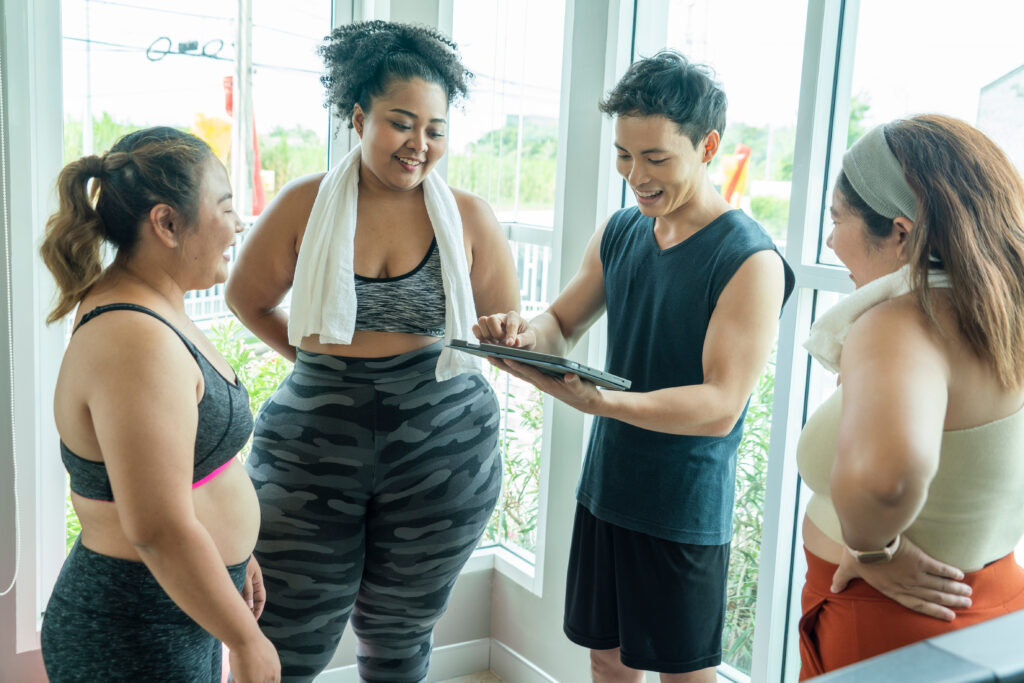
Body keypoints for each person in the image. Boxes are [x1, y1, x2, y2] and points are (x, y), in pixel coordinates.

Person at [475, 50, 794, 683]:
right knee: (606, 661)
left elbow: (720, 405)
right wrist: (518, 332)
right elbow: (560, 325)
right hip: (608, 489)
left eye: (655, 159)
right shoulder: (621, 231)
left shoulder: (749, 260)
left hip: (681, 509)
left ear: (708, 147)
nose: (635, 177)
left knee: (683, 675)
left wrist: (604, 403)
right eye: (624, 155)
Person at [225, 20, 520, 683]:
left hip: (442, 454)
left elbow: (503, 332)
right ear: (359, 117)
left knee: (399, 639)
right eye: (401, 122)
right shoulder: (305, 203)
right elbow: (248, 297)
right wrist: (316, 364)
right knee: (283, 634)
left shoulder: (470, 218)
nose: (419, 144)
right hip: (312, 450)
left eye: (436, 129)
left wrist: (513, 336)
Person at [38, 127, 280, 682]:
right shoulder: (133, 337)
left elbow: (187, 469)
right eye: (224, 207)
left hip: (173, 606)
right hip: (133, 626)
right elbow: (157, 526)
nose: (239, 223)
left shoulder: (155, 305)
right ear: (167, 223)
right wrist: (247, 643)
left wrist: (235, 557)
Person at [797, 115, 1024, 678]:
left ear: (899, 233)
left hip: (890, 623)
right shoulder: (1003, 313)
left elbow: (886, 477)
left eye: (837, 220)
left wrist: (877, 550)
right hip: (992, 609)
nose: (830, 240)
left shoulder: (904, 322)